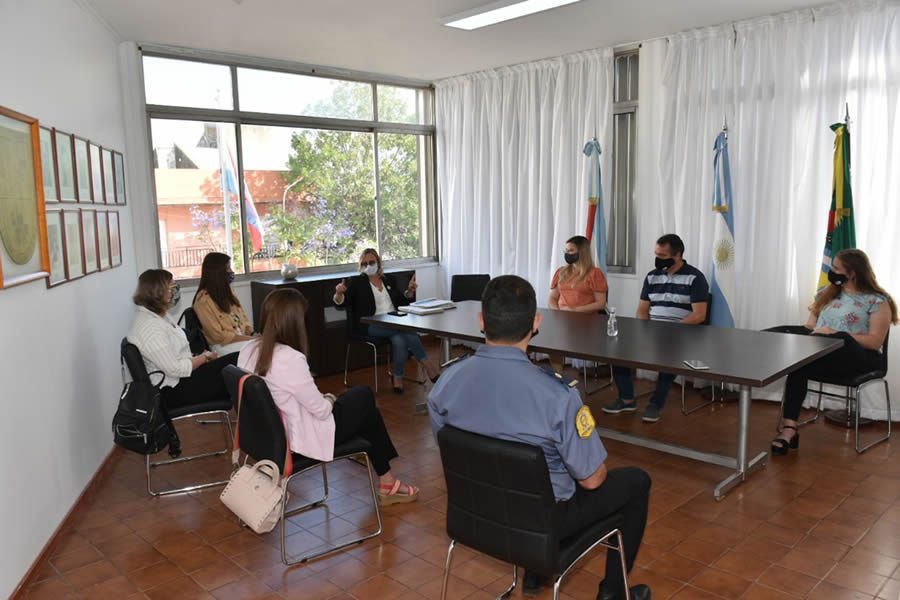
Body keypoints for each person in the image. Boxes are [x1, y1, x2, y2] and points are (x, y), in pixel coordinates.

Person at [428, 275, 651, 600]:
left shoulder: (445, 384)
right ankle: (614, 593)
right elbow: (592, 480)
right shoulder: (558, 397)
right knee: (634, 482)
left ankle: (535, 573)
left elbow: (455, 451)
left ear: (481, 321)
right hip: (543, 521)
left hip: (475, 514)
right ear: (536, 323)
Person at [238, 288, 418, 505]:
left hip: (266, 437)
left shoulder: (248, 349)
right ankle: (387, 481)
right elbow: (322, 411)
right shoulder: (290, 358)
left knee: (366, 414)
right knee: (364, 397)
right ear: (294, 322)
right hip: (298, 439)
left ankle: (387, 479)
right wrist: (330, 398)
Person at [771, 249, 897, 454]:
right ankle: (789, 431)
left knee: (841, 338)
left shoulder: (878, 300)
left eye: (837, 268)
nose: (832, 271)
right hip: (824, 355)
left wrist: (836, 332)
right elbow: (810, 327)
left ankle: (834, 339)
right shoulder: (826, 293)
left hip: (860, 359)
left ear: (852, 273)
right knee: (790, 348)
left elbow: (875, 342)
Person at [127, 269, 238, 457]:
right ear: (157, 292)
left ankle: (258, 418)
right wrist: (203, 359)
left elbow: (177, 355)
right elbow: (175, 368)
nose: (176, 291)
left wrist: (199, 357)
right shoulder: (150, 327)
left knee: (237, 363)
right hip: (173, 392)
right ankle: (262, 422)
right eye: (172, 288)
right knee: (236, 361)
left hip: (182, 381)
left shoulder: (158, 316)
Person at [602, 234, 709, 423]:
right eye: (656, 254)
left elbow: (699, 315)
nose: (658, 259)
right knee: (618, 352)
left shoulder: (695, 278)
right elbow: (642, 310)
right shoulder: (652, 277)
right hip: (652, 331)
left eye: (663, 255)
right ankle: (627, 399)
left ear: (678, 255)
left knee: (668, 358)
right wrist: (645, 329)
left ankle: (656, 404)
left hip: (681, 334)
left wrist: (670, 330)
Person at [334, 248, 440, 393]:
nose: (368, 266)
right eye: (364, 264)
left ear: (378, 262)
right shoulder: (356, 282)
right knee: (406, 330)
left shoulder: (387, 279)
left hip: (394, 321)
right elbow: (343, 302)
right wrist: (339, 294)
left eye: (371, 262)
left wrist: (409, 292)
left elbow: (400, 301)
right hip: (370, 324)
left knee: (399, 339)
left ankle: (397, 378)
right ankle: (427, 364)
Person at [548, 235, 608, 372]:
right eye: (566, 251)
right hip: (562, 319)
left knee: (560, 338)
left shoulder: (595, 274)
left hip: (585, 321)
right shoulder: (561, 272)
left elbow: (600, 303)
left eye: (570, 251)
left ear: (582, 252)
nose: (566, 254)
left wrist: (574, 310)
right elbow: (552, 297)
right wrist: (556, 310)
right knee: (550, 341)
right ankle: (558, 378)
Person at [193, 252, 256, 355]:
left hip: (242, 339)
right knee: (258, 350)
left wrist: (252, 333)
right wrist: (250, 339)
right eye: (228, 268)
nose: (231, 271)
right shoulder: (203, 301)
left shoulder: (228, 291)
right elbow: (219, 336)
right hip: (223, 346)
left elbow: (243, 318)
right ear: (217, 272)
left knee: (268, 346)